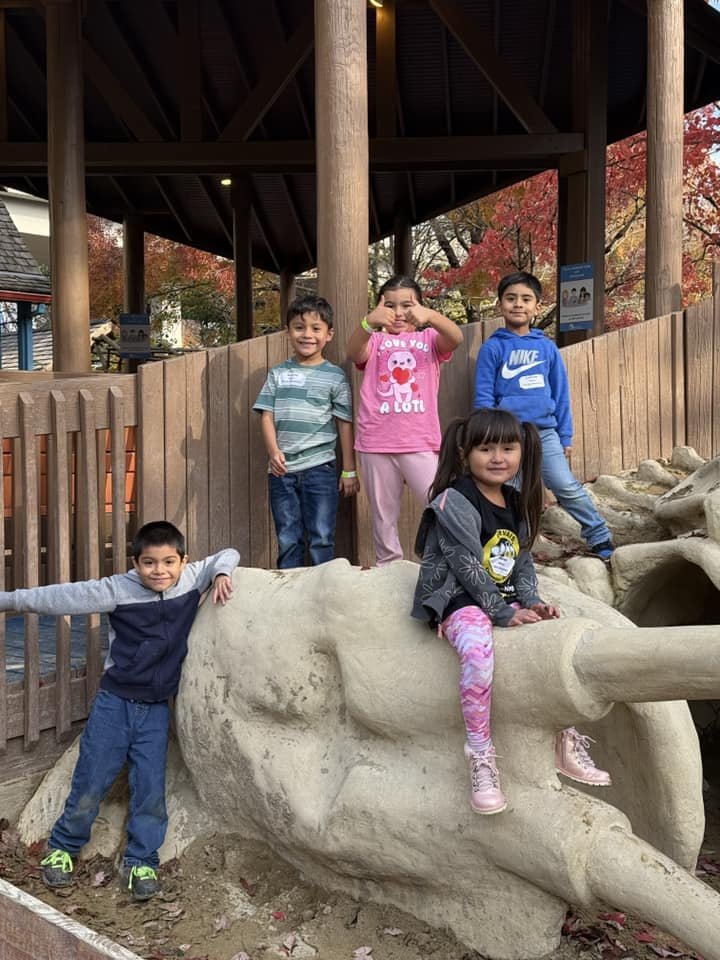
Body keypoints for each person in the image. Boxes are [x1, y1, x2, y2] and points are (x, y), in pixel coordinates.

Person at [0, 521, 239, 900]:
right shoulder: (118, 589)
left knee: (150, 789)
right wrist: (9, 600)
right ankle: (63, 848)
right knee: (91, 780)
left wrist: (222, 572)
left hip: (156, 709)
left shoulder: (193, 578)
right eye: (149, 563)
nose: (159, 571)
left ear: (183, 561)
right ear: (135, 563)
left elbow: (227, 553)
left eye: (168, 562)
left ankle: (142, 860)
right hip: (114, 704)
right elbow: (62, 596)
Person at [412, 408, 611, 814]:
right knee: (478, 654)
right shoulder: (453, 501)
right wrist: (501, 613)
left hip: (503, 599)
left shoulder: (516, 500)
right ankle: (480, 755)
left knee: (552, 643)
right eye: (486, 449)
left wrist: (531, 600)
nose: (497, 457)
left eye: (507, 448)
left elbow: (520, 561)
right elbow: (465, 564)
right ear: (466, 453)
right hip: (461, 598)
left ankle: (563, 737)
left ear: (522, 451)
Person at [474, 271, 615, 561]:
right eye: (511, 298)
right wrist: (487, 436)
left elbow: (561, 394)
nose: (518, 304)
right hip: (507, 437)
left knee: (565, 485)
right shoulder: (493, 348)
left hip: (545, 433)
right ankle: (513, 547)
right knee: (509, 492)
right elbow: (484, 396)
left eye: (526, 299)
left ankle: (599, 536)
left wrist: (566, 436)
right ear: (500, 304)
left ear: (537, 307)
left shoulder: (547, 348)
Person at [347, 275, 463, 565]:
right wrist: (367, 322)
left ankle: (448, 561)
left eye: (407, 305)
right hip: (375, 442)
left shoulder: (429, 339)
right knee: (383, 513)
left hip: (420, 440)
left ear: (420, 306)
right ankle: (389, 564)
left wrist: (431, 316)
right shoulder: (375, 340)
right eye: (389, 305)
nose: (398, 312)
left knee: (440, 504)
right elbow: (354, 352)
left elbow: (456, 338)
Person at [254, 294, 359, 569]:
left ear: (329, 334)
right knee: (287, 538)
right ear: (288, 331)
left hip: (320, 468)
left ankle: (322, 588)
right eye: (299, 327)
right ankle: (289, 589)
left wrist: (349, 469)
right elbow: (266, 415)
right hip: (281, 470)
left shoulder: (335, 376)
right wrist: (273, 452)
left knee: (321, 537)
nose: (307, 335)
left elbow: (344, 423)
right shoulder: (277, 373)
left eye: (316, 328)